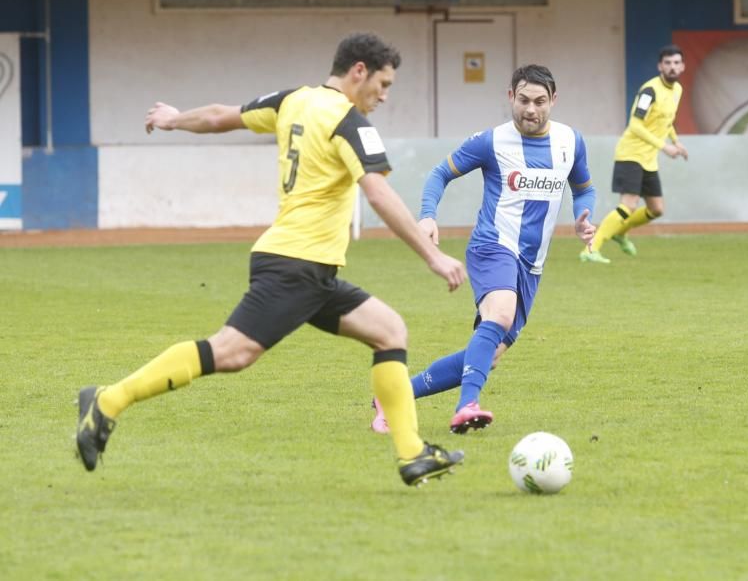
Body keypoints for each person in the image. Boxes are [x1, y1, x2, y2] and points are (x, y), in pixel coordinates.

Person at [75, 32, 468, 486]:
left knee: (390, 332)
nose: (384, 94)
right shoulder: (350, 121)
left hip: (309, 268)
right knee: (231, 352)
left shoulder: (293, 101)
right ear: (359, 70)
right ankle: (106, 401)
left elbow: (223, 116)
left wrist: (175, 119)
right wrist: (433, 256)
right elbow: (377, 192)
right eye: (384, 83)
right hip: (295, 264)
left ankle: (412, 454)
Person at [371, 64, 596, 434]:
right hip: (493, 245)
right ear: (510, 96)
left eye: (540, 101)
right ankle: (467, 406)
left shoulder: (571, 142)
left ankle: (394, 396)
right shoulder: (490, 142)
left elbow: (583, 186)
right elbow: (439, 173)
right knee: (501, 315)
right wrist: (427, 216)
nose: (531, 109)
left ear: (554, 101)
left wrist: (584, 214)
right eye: (523, 99)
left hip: (532, 263)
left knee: (488, 355)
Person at [580, 44, 689, 264]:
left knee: (656, 209)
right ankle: (591, 249)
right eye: (667, 63)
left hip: (649, 159)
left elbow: (666, 121)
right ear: (660, 66)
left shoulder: (677, 90)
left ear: (682, 66)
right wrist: (664, 146)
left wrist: (676, 142)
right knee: (628, 205)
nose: (672, 67)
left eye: (676, 63)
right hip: (630, 154)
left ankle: (619, 232)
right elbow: (635, 125)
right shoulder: (649, 91)